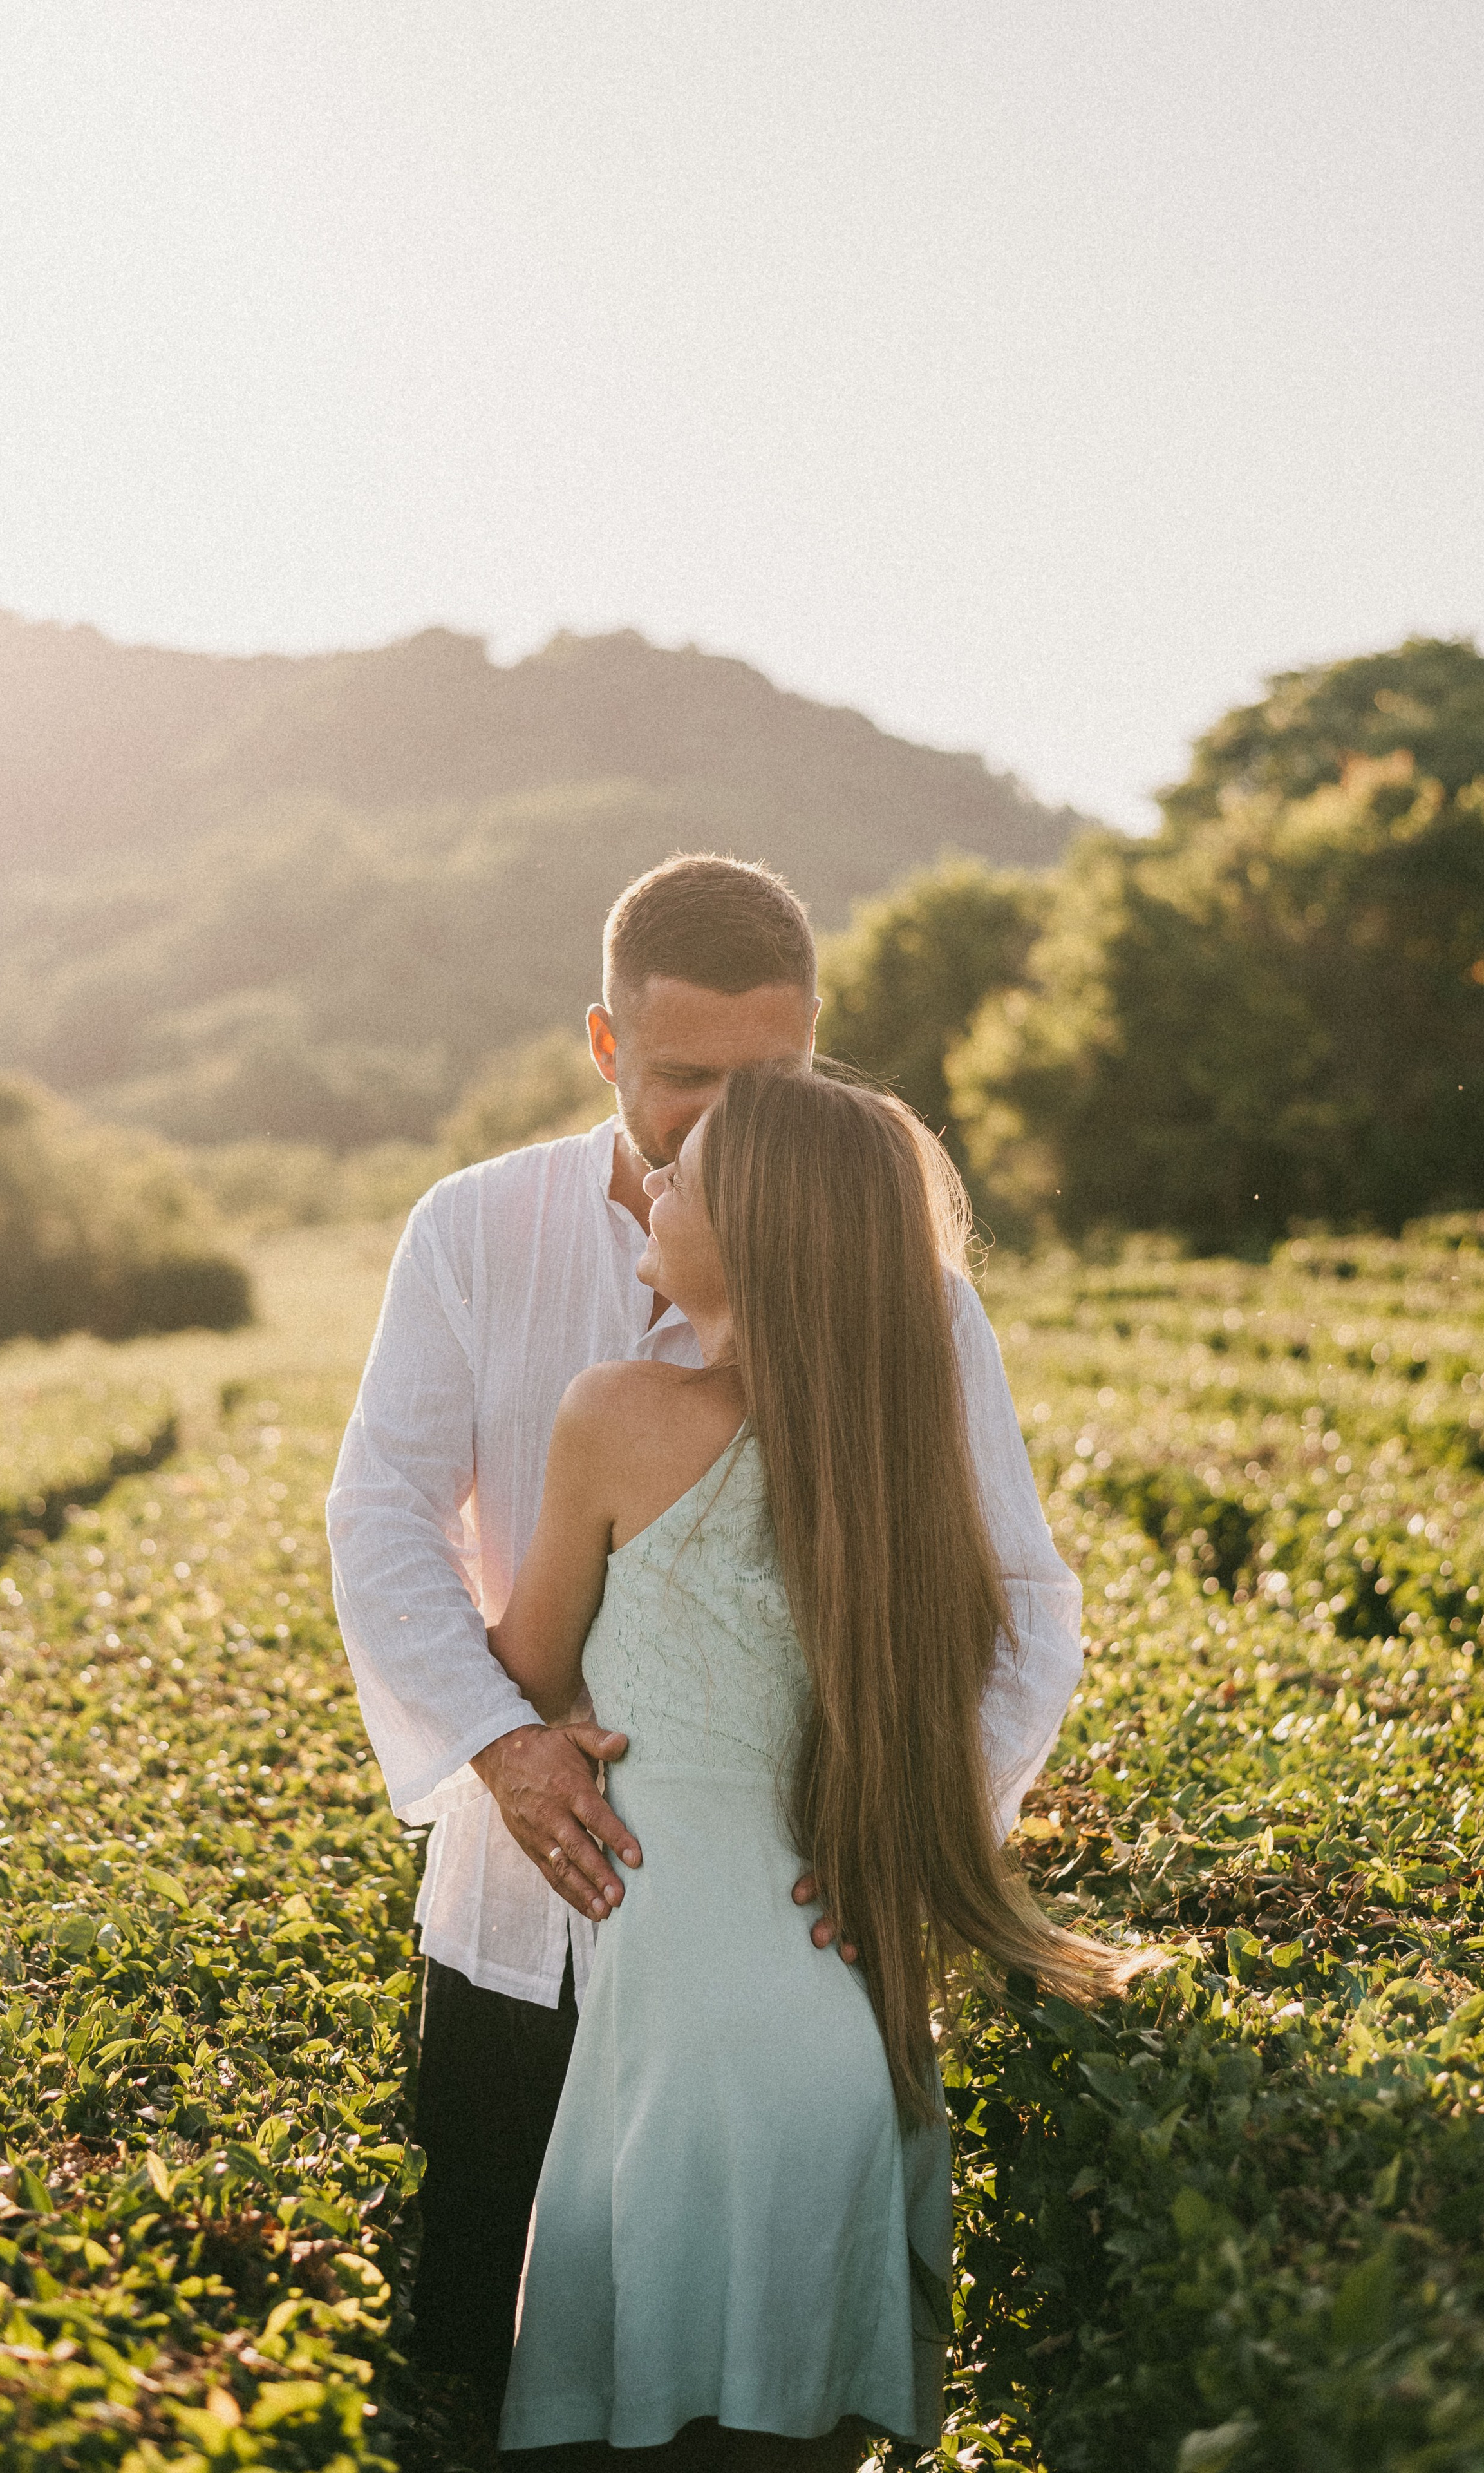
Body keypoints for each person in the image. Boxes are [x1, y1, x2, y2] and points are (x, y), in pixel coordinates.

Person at [326, 854, 1086, 2432]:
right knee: (469, 2359)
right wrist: (503, 1748)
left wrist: (909, 1835)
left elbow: (1024, 1612)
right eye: (684, 1083)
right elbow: (380, 1519)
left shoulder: (916, 1302)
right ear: (604, 1048)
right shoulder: (472, 1230)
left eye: (779, 1078)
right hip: (520, 1926)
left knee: (777, 2401)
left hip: (788, 1951)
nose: (729, 1120)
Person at [490, 1063, 1136, 2464]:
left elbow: (530, 1666)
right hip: (836, 2023)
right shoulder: (886, 1465)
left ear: (758, 1233)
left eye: (688, 1174)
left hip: (680, 2041)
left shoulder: (614, 1410)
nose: (653, 1181)